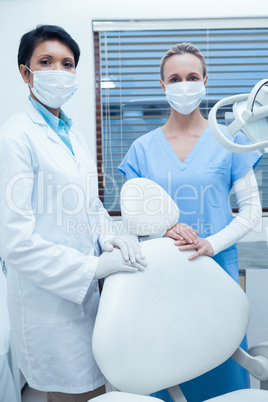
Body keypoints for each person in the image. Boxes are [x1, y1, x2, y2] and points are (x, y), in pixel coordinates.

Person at [0, 25, 147, 402]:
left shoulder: (74, 135)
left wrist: (112, 236)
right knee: (74, 392)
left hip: (88, 295)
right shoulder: (15, 138)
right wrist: (92, 268)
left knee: (95, 388)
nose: (59, 71)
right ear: (25, 72)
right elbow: (14, 242)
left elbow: (89, 205)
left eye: (67, 64)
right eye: (46, 61)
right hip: (49, 300)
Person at [118, 43, 262, 401]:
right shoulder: (141, 149)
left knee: (222, 374)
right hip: (160, 280)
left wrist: (211, 243)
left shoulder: (232, 141)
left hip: (218, 278)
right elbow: (133, 224)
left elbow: (250, 212)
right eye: (175, 78)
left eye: (192, 76)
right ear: (163, 85)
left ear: (205, 81)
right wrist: (163, 228)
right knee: (168, 372)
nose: (184, 84)